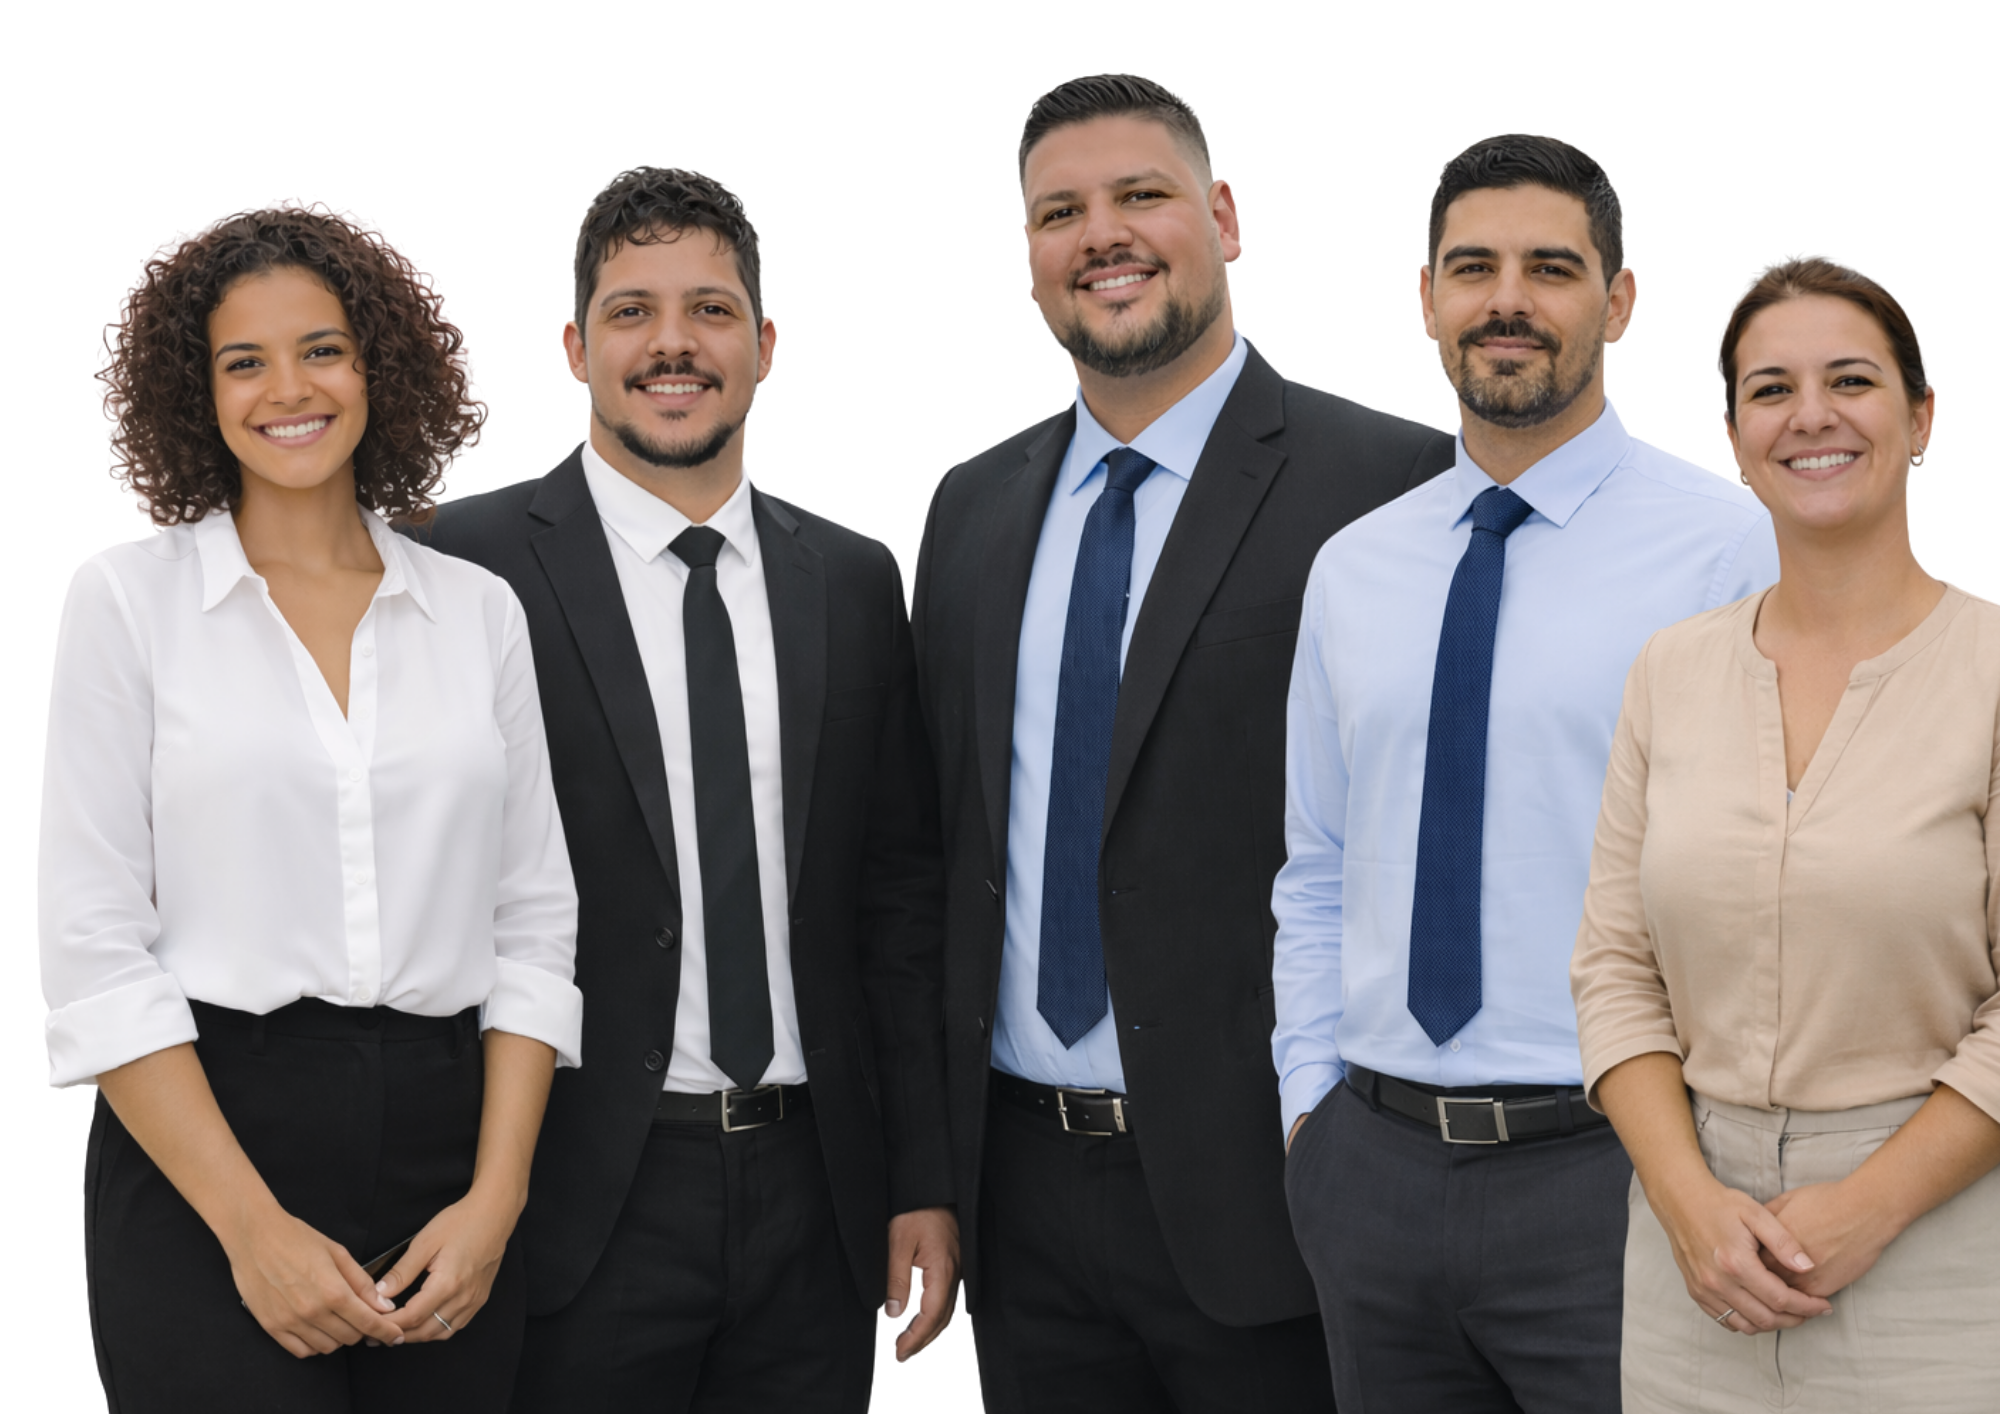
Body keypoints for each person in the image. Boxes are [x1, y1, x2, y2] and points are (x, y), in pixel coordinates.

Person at [911, 73, 1455, 1413]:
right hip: (1018, 1196)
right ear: (1028, 256)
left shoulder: (1390, 483)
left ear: (1222, 217)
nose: (1101, 234)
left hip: (1276, 1194)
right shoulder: (969, 506)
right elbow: (932, 851)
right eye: (1060, 213)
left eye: (1140, 195)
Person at [420, 166, 955, 1412]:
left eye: (709, 310)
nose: (673, 344)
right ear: (574, 349)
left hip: (817, 1197)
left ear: (763, 346)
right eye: (632, 311)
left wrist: (920, 1176)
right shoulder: (461, 563)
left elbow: (895, 900)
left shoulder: (855, 579)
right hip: (570, 1195)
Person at [42, 199, 582, 1413]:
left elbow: (533, 924)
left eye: (322, 349)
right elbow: (91, 950)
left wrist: (496, 1202)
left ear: (377, 367)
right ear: (198, 393)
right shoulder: (126, 603)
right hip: (209, 1149)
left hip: (451, 1158)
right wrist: (251, 1229)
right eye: (245, 361)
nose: (289, 389)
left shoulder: (478, 613)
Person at [1271, 134, 1783, 1412]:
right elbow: (1316, 865)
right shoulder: (1351, 568)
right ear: (1425, 299)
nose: (1507, 300)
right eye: (1472, 268)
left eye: (1550, 268)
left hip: (1617, 1175)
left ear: (1617, 301)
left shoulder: (1728, 547)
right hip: (1371, 1174)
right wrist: (1308, 1114)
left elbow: (1776, 879)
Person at [1573, 253, 1999, 1412]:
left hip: (1939, 1255)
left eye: (1849, 380)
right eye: (1769, 389)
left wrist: (1866, 1206)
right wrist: (1683, 1201)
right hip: (1693, 1267)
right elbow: (1612, 968)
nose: (1809, 415)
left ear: (1920, 418)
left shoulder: (1990, 671)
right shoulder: (1667, 671)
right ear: (1732, 435)